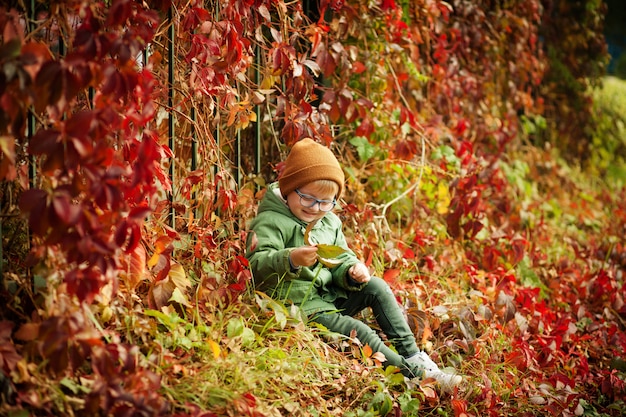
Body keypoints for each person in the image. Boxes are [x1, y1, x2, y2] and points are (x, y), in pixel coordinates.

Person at [245, 138, 462, 392]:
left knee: (377, 288)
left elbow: (341, 257)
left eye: (326, 202)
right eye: (308, 199)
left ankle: (416, 357)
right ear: (289, 188)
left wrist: (351, 271)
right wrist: (290, 259)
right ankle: (417, 377)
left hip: (328, 298)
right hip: (300, 308)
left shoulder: (329, 221)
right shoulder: (270, 221)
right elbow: (256, 266)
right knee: (358, 330)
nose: (316, 209)